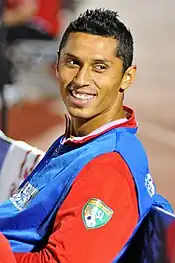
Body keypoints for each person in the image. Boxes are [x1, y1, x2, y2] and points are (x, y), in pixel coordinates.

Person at [0, 8, 174, 263]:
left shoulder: (107, 168)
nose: (81, 79)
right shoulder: (82, 141)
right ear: (57, 65)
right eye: (73, 62)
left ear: (127, 77)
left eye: (99, 67)